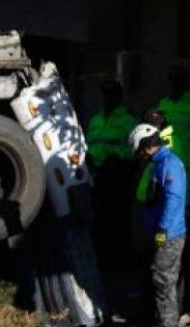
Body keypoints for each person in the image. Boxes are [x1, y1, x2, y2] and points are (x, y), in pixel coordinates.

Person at [130, 123, 187, 327]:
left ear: (146, 146)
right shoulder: (159, 163)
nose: (140, 155)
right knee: (160, 278)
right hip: (160, 231)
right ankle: (165, 324)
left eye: (140, 150)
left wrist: (163, 230)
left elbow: (173, 201)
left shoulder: (169, 164)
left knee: (164, 279)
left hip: (169, 234)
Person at [86, 80, 137, 270]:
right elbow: (89, 143)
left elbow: (134, 149)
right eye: (104, 94)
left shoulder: (127, 119)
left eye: (110, 95)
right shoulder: (95, 120)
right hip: (98, 175)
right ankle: (104, 260)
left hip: (118, 175)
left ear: (119, 98)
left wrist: (119, 157)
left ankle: (121, 262)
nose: (106, 99)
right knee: (101, 219)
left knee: (119, 220)